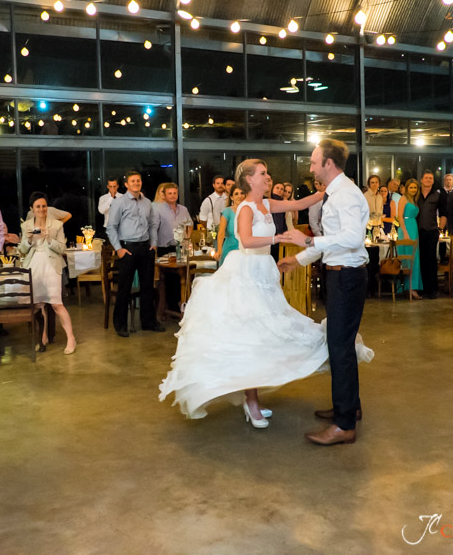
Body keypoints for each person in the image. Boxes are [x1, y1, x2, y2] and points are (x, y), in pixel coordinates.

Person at [160, 153, 362, 436]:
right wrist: (278, 238)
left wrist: (331, 189)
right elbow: (246, 239)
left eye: (268, 173)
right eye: (263, 173)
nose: (268, 177)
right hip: (244, 273)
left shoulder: (267, 203)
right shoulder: (244, 208)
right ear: (249, 179)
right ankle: (251, 400)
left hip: (264, 272)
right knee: (248, 336)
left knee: (264, 334)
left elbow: (302, 203)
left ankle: (253, 397)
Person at [279, 139, 374, 445]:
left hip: (346, 277)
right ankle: (348, 407)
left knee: (339, 348)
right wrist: (299, 259)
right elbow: (334, 241)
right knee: (340, 346)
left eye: (313, 162)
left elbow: (350, 237)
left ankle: (344, 425)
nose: (310, 166)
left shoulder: (344, 195)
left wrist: (305, 243)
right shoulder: (337, 193)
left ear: (328, 165)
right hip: (341, 274)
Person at [106, 170, 163, 337]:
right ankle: (120, 325)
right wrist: (119, 249)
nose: (136, 183)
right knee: (124, 288)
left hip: (146, 248)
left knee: (147, 287)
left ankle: (148, 322)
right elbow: (111, 227)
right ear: (126, 184)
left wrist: (153, 243)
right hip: (128, 248)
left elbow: (153, 224)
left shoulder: (147, 203)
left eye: (138, 180)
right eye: (133, 181)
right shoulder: (119, 202)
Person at [18, 192, 76, 354]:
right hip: (34, 267)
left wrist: (49, 239)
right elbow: (22, 250)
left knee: (57, 304)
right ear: (32, 209)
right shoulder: (26, 226)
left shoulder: (56, 225)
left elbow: (62, 248)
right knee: (39, 304)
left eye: (44, 206)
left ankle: (71, 338)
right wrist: (28, 240)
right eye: (38, 206)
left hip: (51, 266)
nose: (42, 209)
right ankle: (42, 336)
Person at [151, 183, 192, 312]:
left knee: (181, 277)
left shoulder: (183, 209)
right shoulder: (157, 209)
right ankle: (167, 307)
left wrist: (186, 238)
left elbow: (190, 224)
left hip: (180, 248)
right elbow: (153, 228)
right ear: (164, 194)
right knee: (167, 280)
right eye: (170, 193)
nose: (173, 196)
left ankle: (179, 305)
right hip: (164, 248)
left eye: (175, 193)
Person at [415, 170, 447, 299]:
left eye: (431, 178)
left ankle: (432, 289)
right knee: (420, 261)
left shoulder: (438, 195)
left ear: (433, 181)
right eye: (426, 178)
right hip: (417, 232)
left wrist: (440, 229)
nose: (428, 180)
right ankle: (421, 288)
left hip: (432, 231)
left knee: (431, 261)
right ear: (421, 180)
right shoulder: (415, 194)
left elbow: (444, 213)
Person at [396, 179, 422, 299]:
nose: (413, 190)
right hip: (406, 229)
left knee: (415, 259)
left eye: (415, 188)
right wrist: (405, 233)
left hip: (413, 227)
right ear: (406, 188)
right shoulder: (403, 199)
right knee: (407, 259)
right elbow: (400, 217)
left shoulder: (414, 200)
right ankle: (407, 287)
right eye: (411, 187)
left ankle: (412, 286)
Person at [215, 184, 246, 265]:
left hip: (246, 252)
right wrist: (219, 250)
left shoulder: (250, 212)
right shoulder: (227, 212)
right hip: (229, 250)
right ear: (231, 197)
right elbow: (221, 232)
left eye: (242, 193)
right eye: (236, 194)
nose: (240, 196)